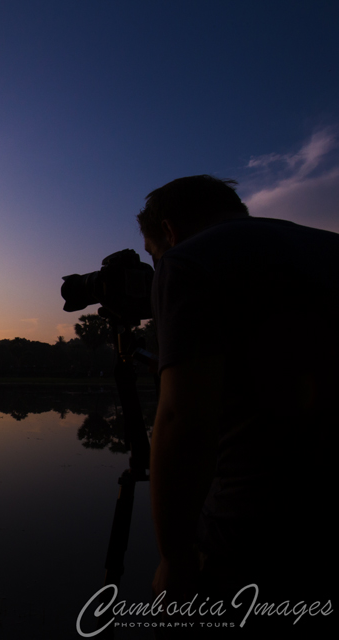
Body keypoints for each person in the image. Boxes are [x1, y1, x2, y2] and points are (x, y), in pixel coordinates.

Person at [138, 175, 338, 634]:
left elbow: (181, 422)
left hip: (255, 540)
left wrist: (174, 558)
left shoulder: (189, 260)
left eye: (153, 254)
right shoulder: (326, 247)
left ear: (168, 231)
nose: (157, 264)